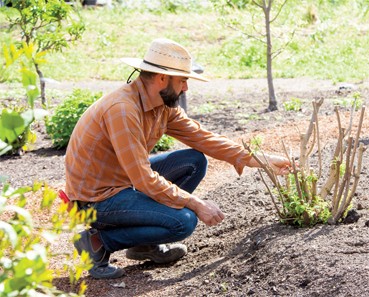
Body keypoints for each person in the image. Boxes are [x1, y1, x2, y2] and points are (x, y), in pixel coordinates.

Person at [65, 38, 291, 279]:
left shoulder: (162, 105)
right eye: (183, 80)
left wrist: (261, 159)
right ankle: (98, 242)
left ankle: (144, 245)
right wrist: (195, 203)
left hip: (123, 181)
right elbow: (143, 178)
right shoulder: (123, 109)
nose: (186, 88)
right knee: (182, 221)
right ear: (163, 78)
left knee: (194, 161)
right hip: (96, 199)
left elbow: (203, 138)